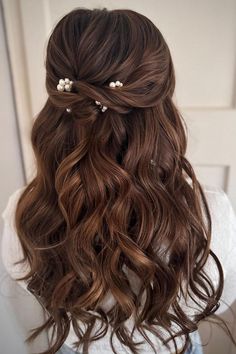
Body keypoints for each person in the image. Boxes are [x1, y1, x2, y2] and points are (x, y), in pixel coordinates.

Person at [1, 7, 236, 354]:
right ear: (162, 100)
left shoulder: (26, 212)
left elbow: (26, 282)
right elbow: (218, 301)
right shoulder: (209, 214)